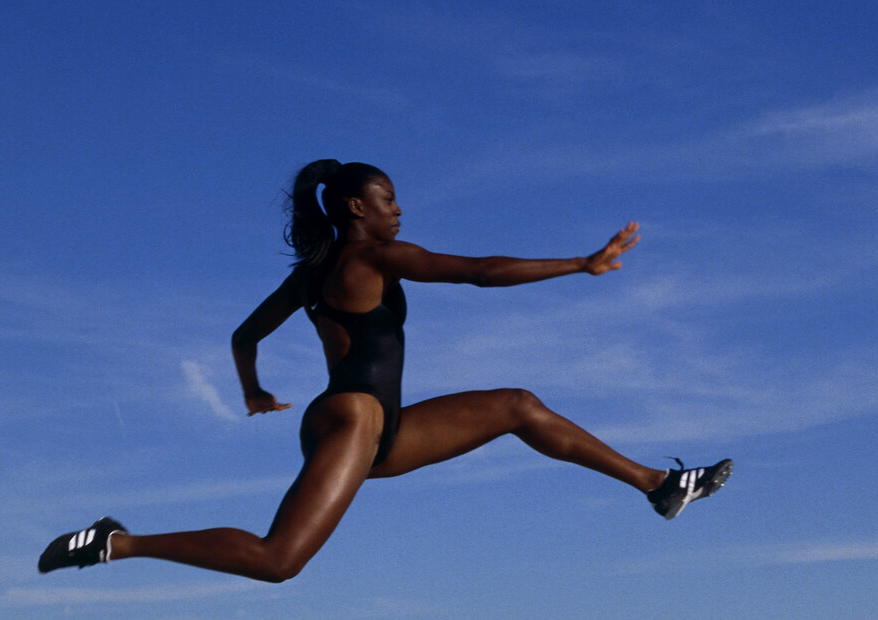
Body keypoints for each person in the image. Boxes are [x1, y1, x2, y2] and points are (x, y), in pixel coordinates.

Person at [39, 160, 730, 582]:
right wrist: (581, 264)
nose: (400, 212)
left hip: (381, 428)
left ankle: (660, 485)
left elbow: (244, 335)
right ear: (355, 208)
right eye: (390, 201)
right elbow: (479, 274)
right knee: (278, 560)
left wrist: (252, 390)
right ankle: (114, 542)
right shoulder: (367, 257)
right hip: (354, 418)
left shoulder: (313, 273)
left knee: (518, 404)